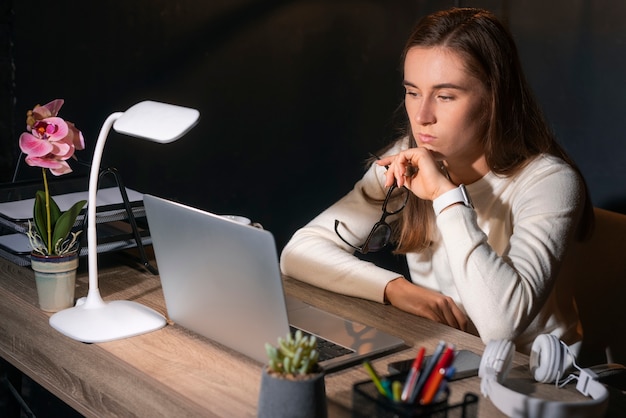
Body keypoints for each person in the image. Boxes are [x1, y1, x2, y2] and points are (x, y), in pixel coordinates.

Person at [279, 7, 593, 354]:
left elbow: (499, 325)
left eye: (445, 96)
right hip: (450, 357)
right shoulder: (406, 157)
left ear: (493, 100)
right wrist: (395, 288)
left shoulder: (549, 182)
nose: (422, 116)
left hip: (536, 383)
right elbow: (298, 252)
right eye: (413, 92)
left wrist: (446, 195)